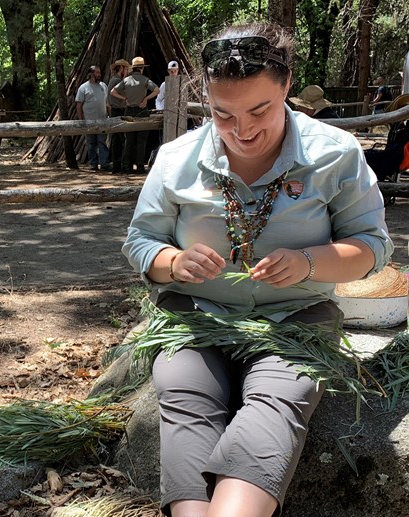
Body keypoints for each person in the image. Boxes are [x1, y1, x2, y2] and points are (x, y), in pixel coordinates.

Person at [122, 22, 392, 517]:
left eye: (260, 111)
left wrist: (310, 262)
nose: (242, 131)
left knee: (278, 398)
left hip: (297, 318)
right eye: (222, 115)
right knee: (184, 396)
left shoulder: (334, 153)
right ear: (205, 98)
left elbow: (373, 245)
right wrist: (174, 262)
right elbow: (141, 241)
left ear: (286, 86)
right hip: (195, 317)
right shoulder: (176, 159)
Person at [111, 57, 159, 174]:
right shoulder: (145, 80)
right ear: (142, 68)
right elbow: (157, 90)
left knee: (129, 141)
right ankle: (140, 166)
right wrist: (146, 99)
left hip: (129, 111)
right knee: (141, 141)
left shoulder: (126, 80)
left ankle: (127, 166)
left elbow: (113, 92)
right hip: (142, 112)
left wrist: (125, 98)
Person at [75, 65, 110, 171]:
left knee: (102, 142)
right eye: (97, 73)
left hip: (102, 120)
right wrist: (82, 120)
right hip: (89, 121)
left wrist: (109, 116)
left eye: (99, 73)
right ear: (91, 74)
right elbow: (79, 105)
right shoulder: (83, 87)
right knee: (91, 143)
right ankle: (93, 163)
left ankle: (104, 164)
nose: (99, 75)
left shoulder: (103, 86)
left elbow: (107, 103)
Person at [107, 59, 130, 173]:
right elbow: (115, 93)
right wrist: (126, 98)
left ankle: (117, 166)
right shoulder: (117, 80)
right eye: (125, 69)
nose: (126, 71)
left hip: (116, 110)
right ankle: (121, 165)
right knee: (121, 140)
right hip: (118, 111)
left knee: (117, 139)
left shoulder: (115, 80)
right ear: (121, 68)